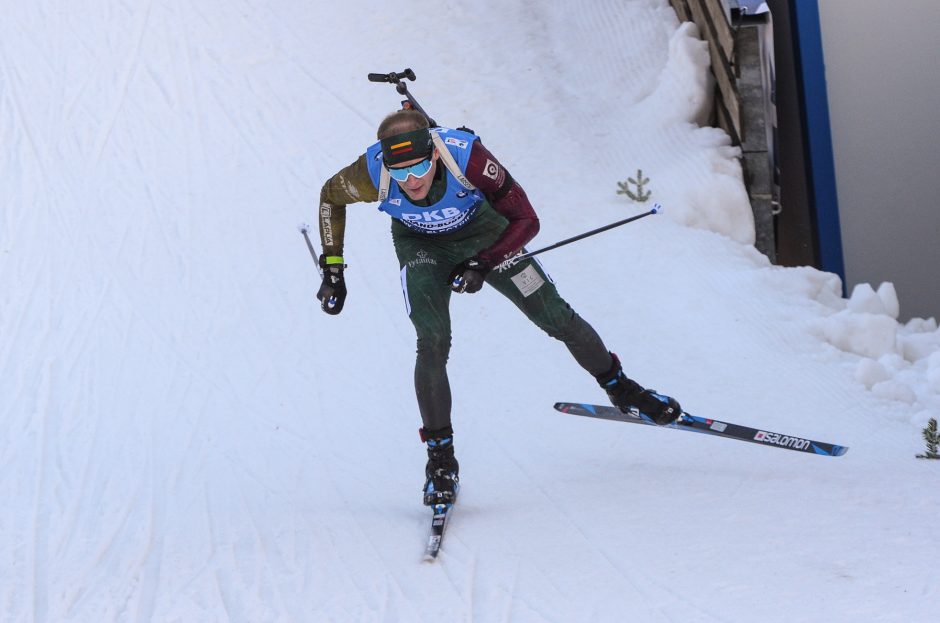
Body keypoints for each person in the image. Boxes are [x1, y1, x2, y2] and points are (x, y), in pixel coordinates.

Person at [315, 109, 681, 506]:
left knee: (555, 317)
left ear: (434, 154)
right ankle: (440, 460)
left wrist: (484, 261)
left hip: (487, 234)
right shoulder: (370, 172)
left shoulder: (467, 156)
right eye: (400, 173)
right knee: (433, 340)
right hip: (422, 247)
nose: (412, 181)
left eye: (418, 167)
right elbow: (329, 198)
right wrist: (333, 268)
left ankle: (622, 388)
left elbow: (526, 218)